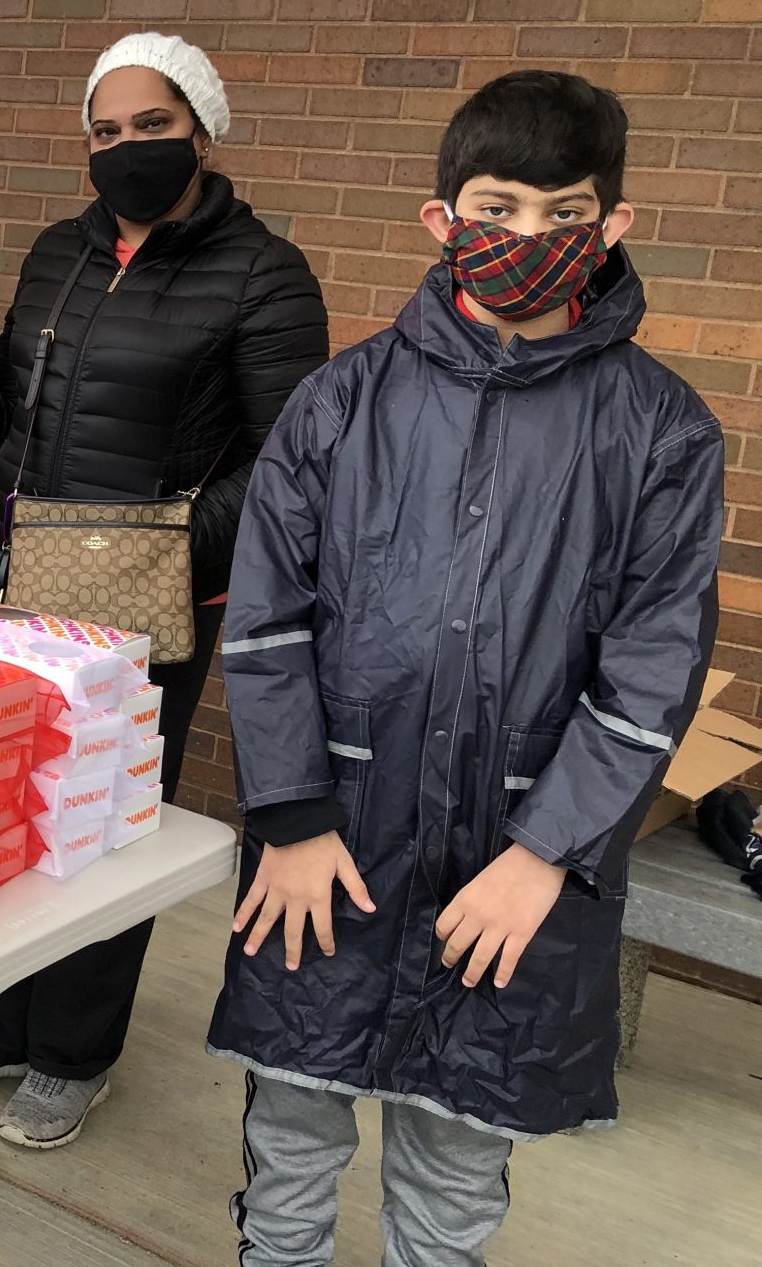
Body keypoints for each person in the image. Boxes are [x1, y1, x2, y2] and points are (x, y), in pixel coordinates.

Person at [209, 70, 722, 1266]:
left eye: (563, 214)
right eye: (495, 209)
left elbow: (651, 669)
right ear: (441, 219)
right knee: (289, 1124)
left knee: (454, 1157)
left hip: (511, 866)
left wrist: (546, 854)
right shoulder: (339, 404)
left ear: (613, 226)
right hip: (331, 842)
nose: (527, 238)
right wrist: (287, 813)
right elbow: (269, 620)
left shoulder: (660, 431)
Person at [0, 33, 328, 1148]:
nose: (125, 149)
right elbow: (18, 427)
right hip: (23, 593)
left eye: (152, 126)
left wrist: (145, 552)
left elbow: (290, 464)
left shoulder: (262, 274)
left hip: (149, 610)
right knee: (1, 809)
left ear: (201, 132)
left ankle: (73, 1052)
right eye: (105, 130)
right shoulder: (54, 254)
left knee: (104, 828)